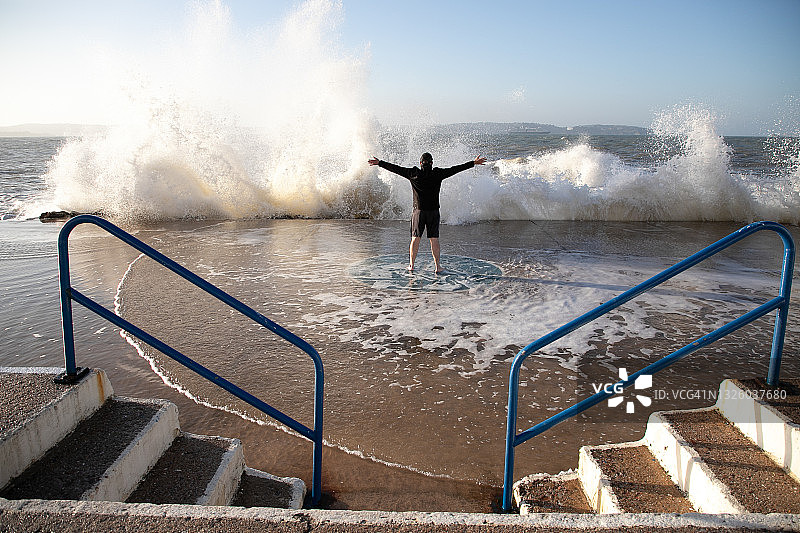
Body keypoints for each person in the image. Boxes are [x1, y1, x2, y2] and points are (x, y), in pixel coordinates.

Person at [368, 153, 487, 273]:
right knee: (434, 239)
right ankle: (437, 267)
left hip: (418, 212)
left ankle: (412, 265)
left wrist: (380, 163)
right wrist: (473, 163)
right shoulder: (438, 174)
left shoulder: (413, 173)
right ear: (431, 163)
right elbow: (455, 169)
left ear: (420, 163)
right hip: (433, 212)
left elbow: (396, 169)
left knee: (415, 239)